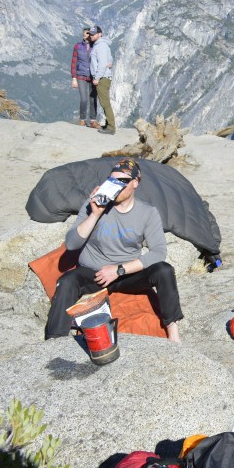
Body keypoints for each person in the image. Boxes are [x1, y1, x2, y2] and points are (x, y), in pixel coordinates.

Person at [44, 158, 183, 342]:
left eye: (122, 181)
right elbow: (71, 244)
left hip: (124, 274)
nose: (116, 185)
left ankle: (173, 333)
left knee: (164, 270)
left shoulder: (147, 213)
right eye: (112, 180)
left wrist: (119, 270)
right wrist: (95, 213)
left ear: (135, 182)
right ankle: (54, 341)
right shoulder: (95, 203)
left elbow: (158, 252)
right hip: (93, 272)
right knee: (67, 281)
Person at [88, 25, 116, 135]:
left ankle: (111, 127)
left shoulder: (100, 46)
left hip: (102, 78)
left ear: (100, 34)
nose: (91, 36)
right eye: (90, 34)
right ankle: (108, 124)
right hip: (104, 77)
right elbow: (109, 59)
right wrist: (110, 62)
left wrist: (97, 78)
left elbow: (102, 64)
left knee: (105, 103)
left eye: (93, 34)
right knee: (104, 102)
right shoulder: (101, 45)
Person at [70, 27, 99, 128]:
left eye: (89, 34)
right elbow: (74, 62)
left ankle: (93, 120)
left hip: (93, 76)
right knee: (84, 99)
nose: (87, 35)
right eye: (86, 33)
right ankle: (82, 119)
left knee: (93, 98)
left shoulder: (95, 46)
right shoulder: (78, 46)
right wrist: (74, 78)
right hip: (81, 75)